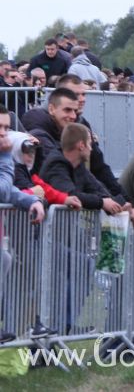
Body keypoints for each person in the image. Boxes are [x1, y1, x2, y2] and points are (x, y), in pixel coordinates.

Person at [0, 104, 47, 343]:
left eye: (6, 127)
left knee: (5, 259)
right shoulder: (5, 158)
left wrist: (30, 200)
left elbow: (10, 192)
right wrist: (7, 157)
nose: (3, 133)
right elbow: (3, 190)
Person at [40, 123, 134, 223]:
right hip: (47, 233)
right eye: (89, 144)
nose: (91, 149)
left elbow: (98, 188)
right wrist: (102, 203)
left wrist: (122, 204)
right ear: (81, 146)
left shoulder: (79, 166)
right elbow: (70, 195)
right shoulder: (56, 165)